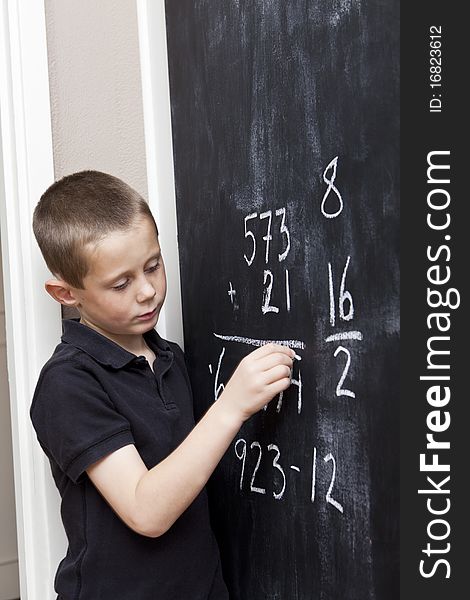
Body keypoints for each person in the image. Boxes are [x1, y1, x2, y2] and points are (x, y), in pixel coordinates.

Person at [30, 170, 295, 600]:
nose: (148, 291)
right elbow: (144, 509)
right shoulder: (68, 383)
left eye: (153, 265)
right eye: (121, 283)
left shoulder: (171, 358)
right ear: (66, 294)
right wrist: (231, 406)